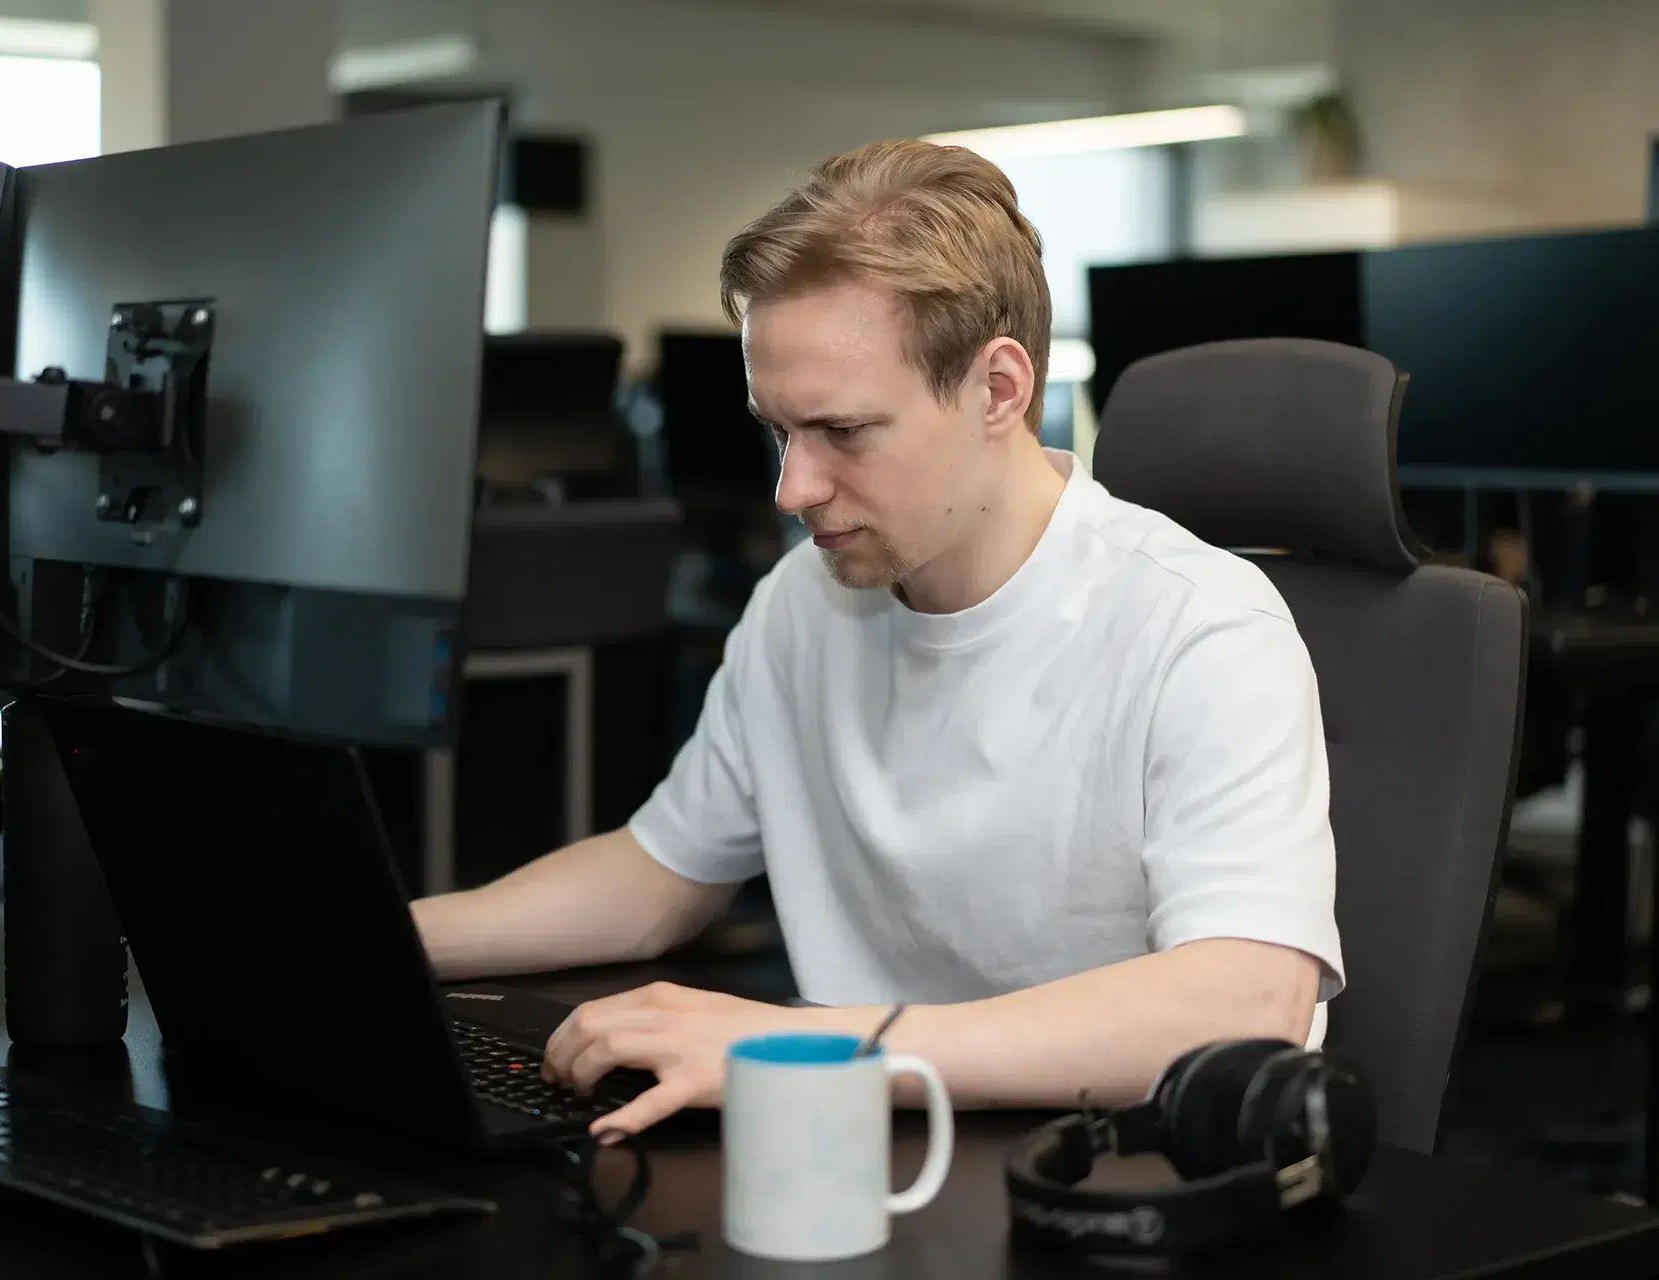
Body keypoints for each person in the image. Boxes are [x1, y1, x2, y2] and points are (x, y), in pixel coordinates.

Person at [411, 139, 1342, 1145]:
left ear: (998, 389)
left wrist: (808, 1050)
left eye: (844, 432)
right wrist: (379, 939)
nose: (792, 489)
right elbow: (659, 873)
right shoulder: (802, 603)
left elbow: (1246, 1007)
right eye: (780, 431)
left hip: (1114, 1172)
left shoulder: (1200, 625)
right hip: (869, 1147)